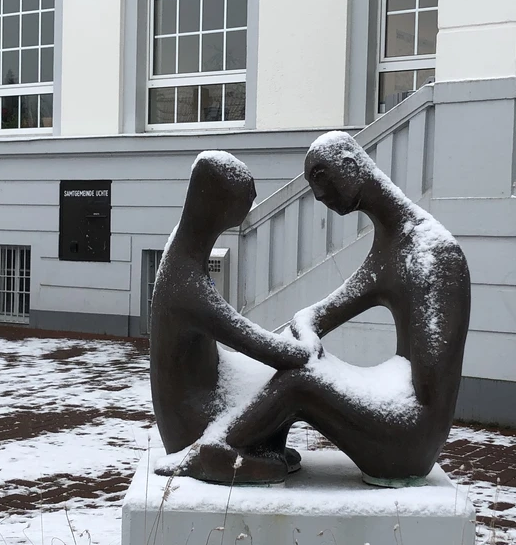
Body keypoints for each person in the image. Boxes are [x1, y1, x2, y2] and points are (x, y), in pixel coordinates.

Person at [176, 131, 472, 486]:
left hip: (410, 439)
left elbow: (427, 396)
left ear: (350, 166)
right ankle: (241, 441)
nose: (322, 198)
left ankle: (216, 450)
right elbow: (313, 316)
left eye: (325, 185)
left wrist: (310, 363)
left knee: (301, 382)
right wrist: (302, 342)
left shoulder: (433, 254)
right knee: (297, 365)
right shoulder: (391, 246)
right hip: (393, 410)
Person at [148, 151, 319, 483]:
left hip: (211, 398)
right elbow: (252, 341)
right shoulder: (185, 282)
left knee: (279, 380)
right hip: (193, 427)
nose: (249, 209)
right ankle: (211, 455)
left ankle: (258, 445)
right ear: (215, 203)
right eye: (244, 202)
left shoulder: (183, 254)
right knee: (297, 382)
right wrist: (302, 350)